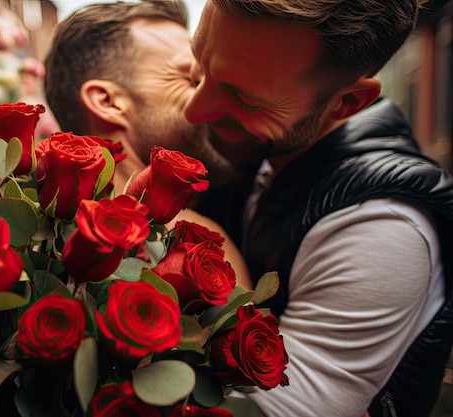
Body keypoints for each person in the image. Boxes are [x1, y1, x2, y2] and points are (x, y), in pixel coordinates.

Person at [185, 1, 453, 416]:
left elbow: (265, 410)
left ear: (346, 104)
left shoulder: (382, 231)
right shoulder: (269, 148)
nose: (194, 109)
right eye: (198, 64)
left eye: (245, 98)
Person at [43, 0, 251, 288]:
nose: (210, 100)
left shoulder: (26, 235)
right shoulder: (200, 249)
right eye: (190, 78)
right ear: (108, 102)